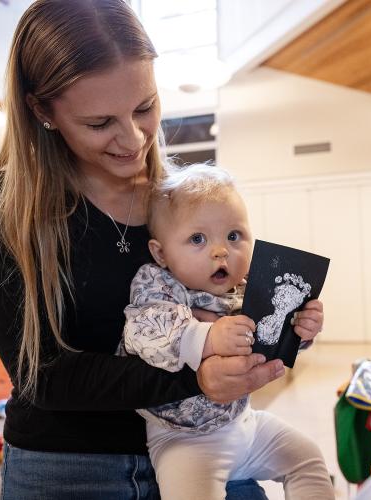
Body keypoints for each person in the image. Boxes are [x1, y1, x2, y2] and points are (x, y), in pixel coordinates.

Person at [0, 1, 286, 497]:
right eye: (99, 123)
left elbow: (231, 304)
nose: (134, 138)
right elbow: (43, 376)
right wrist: (197, 378)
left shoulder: (183, 200)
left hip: (212, 442)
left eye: (145, 107)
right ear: (41, 110)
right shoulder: (3, 209)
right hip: (65, 467)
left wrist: (279, 328)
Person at [120, 165, 332, 500]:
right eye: (198, 239)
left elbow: (270, 336)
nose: (220, 251)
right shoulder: (159, 283)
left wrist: (301, 330)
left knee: (308, 459)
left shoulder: (249, 287)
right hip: (184, 441)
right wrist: (207, 336)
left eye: (234, 236)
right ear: (161, 253)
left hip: (245, 425)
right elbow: (143, 331)